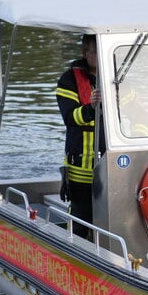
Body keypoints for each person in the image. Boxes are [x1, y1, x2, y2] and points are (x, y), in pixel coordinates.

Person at [56, 34, 102, 239]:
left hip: (112, 163)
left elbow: (136, 111)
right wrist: (90, 107)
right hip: (81, 166)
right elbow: (70, 117)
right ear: (85, 54)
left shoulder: (114, 76)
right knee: (80, 220)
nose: (99, 55)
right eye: (94, 51)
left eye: (102, 50)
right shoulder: (68, 81)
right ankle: (74, 252)